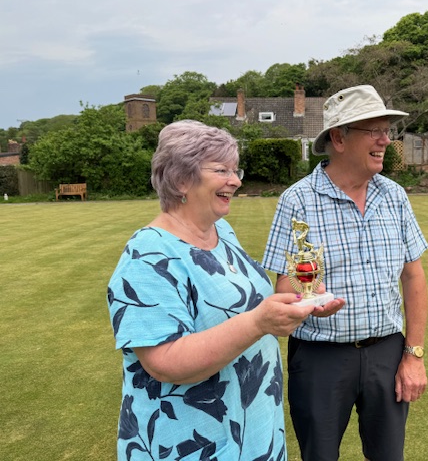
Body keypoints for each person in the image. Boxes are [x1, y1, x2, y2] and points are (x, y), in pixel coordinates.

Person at [106, 120, 317, 460]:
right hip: (193, 442)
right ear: (180, 179)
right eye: (222, 170)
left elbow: (248, 301)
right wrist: (259, 323)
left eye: (236, 170)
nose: (235, 180)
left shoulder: (222, 232)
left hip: (253, 427)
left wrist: (304, 297)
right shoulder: (147, 257)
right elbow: (164, 363)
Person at [262, 85, 428, 461]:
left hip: (387, 353)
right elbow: (286, 287)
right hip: (320, 359)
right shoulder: (298, 200)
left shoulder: (394, 196)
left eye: (387, 130)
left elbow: (414, 277)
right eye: (374, 130)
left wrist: (414, 355)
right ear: (338, 137)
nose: (386, 140)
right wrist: (309, 304)